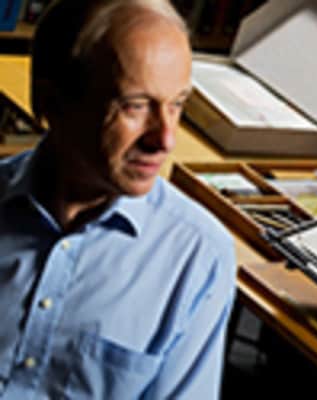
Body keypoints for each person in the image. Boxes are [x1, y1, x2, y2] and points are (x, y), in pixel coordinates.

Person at [0, 0, 236, 398]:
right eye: (135, 106)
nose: (165, 139)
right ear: (51, 104)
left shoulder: (198, 257)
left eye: (177, 105)